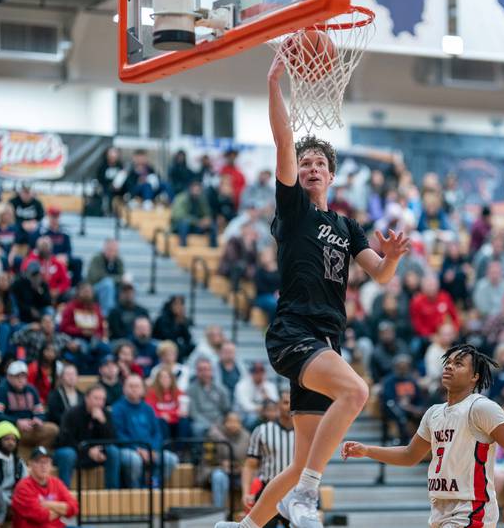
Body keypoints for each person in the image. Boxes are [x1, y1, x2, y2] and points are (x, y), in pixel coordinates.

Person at [215, 54, 410, 528]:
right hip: (293, 333)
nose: (311, 167)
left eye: (320, 162)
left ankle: (246, 526)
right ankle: (305, 497)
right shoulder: (294, 210)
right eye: (305, 163)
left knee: (303, 457)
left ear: (332, 174)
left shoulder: (348, 226)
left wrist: (395, 257)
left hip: (325, 341)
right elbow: (283, 138)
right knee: (358, 391)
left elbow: (379, 276)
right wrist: (273, 81)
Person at [341, 345, 504, 528]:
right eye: (448, 362)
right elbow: (409, 455)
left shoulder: (481, 407)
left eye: (459, 364)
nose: (449, 366)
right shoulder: (433, 413)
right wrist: (367, 451)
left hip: (471, 508)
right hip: (440, 509)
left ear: (474, 376)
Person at [112, 374, 179, 487]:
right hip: (128, 449)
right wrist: (138, 450)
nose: (134, 389)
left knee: (171, 459)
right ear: (124, 389)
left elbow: (157, 433)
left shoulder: (148, 409)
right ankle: (137, 490)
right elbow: (118, 434)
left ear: (143, 389)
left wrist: (152, 449)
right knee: (134, 461)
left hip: (150, 449)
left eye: (137, 386)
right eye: (131, 386)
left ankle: (154, 485)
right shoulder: (117, 408)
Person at [243, 393, 294, 528]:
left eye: (294, 402)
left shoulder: (308, 433)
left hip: (296, 493)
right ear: (278, 405)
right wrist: (246, 493)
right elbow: (249, 465)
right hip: (268, 491)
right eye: (285, 402)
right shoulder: (262, 431)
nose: (290, 406)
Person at [54, 384, 119, 489]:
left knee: (113, 451)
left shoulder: (105, 414)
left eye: (102, 399)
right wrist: (87, 450)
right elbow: (65, 440)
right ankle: (64, 493)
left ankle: (112, 492)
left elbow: (112, 440)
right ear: (86, 398)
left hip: (95, 454)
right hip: (74, 452)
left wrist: (103, 423)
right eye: (96, 398)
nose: (100, 402)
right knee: (68, 454)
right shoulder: (72, 413)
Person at [0, 360, 59, 449]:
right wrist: (17, 422)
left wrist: (38, 420)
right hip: (11, 427)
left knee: (53, 429)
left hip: (30, 427)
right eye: (17, 376)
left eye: (23, 376)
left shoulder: (31, 390)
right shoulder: (0, 390)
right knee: (8, 432)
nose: (21, 380)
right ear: (9, 377)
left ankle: (38, 454)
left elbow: (39, 411)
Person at [11, 447, 79, 528]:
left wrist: (48, 504)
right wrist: (61, 510)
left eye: (47, 462)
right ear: (30, 464)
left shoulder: (56, 482)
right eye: (38, 462)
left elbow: (74, 508)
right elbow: (40, 516)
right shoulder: (23, 487)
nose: (43, 466)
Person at [0, 421, 27, 506]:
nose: (11, 443)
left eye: (13, 440)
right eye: (7, 439)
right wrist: (11, 503)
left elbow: (26, 484)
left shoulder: (18, 461)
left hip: (15, 500)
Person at [189, 358, 231, 438]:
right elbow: (194, 413)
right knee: (197, 428)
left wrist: (219, 422)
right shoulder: (191, 390)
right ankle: (199, 450)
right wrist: (209, 426)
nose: (204, 373)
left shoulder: (221, 388)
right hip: (201, 422)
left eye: (206, 369)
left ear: (212, 371)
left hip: (219, 421)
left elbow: (226, 409)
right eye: (201, 370)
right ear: (197, 372)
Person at [170, 180, 218, 247]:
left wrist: (207, 220)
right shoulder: (181, 198)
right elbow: (178, 216)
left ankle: (213, 248)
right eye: (195, 189)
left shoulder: (201, 199)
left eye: (198, 189)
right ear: (190, 188)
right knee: (184, 223)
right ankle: (183, 246)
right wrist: (197, 222)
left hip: (196, 226)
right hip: (179, 227)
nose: (197, 191)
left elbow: (207, 213)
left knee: (212, 224)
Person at [86, 239, 125, 317]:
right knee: (108, 284)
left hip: (114, 288)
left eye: (115, 250)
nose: (112, 252)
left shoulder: (118, 261)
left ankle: (126, 312)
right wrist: (118, 279)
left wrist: (122, 280)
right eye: (110, 250)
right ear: (104, 249)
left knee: (129, 286)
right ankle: (107, 314)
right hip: (94, 288)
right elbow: (97, 277)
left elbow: (123, 276)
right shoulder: (97, 259)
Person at [234, 362, 279, 429]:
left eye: (261, 372)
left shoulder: (269, 386)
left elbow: (276, 402)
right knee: (252, 418)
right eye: (256, 372)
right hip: (245, 414)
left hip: (265, 412)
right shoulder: (242, 385)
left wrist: (267, 397)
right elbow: (246, 406)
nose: (259, 375)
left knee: (275, 415)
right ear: (251, 373)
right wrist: (263, 408)